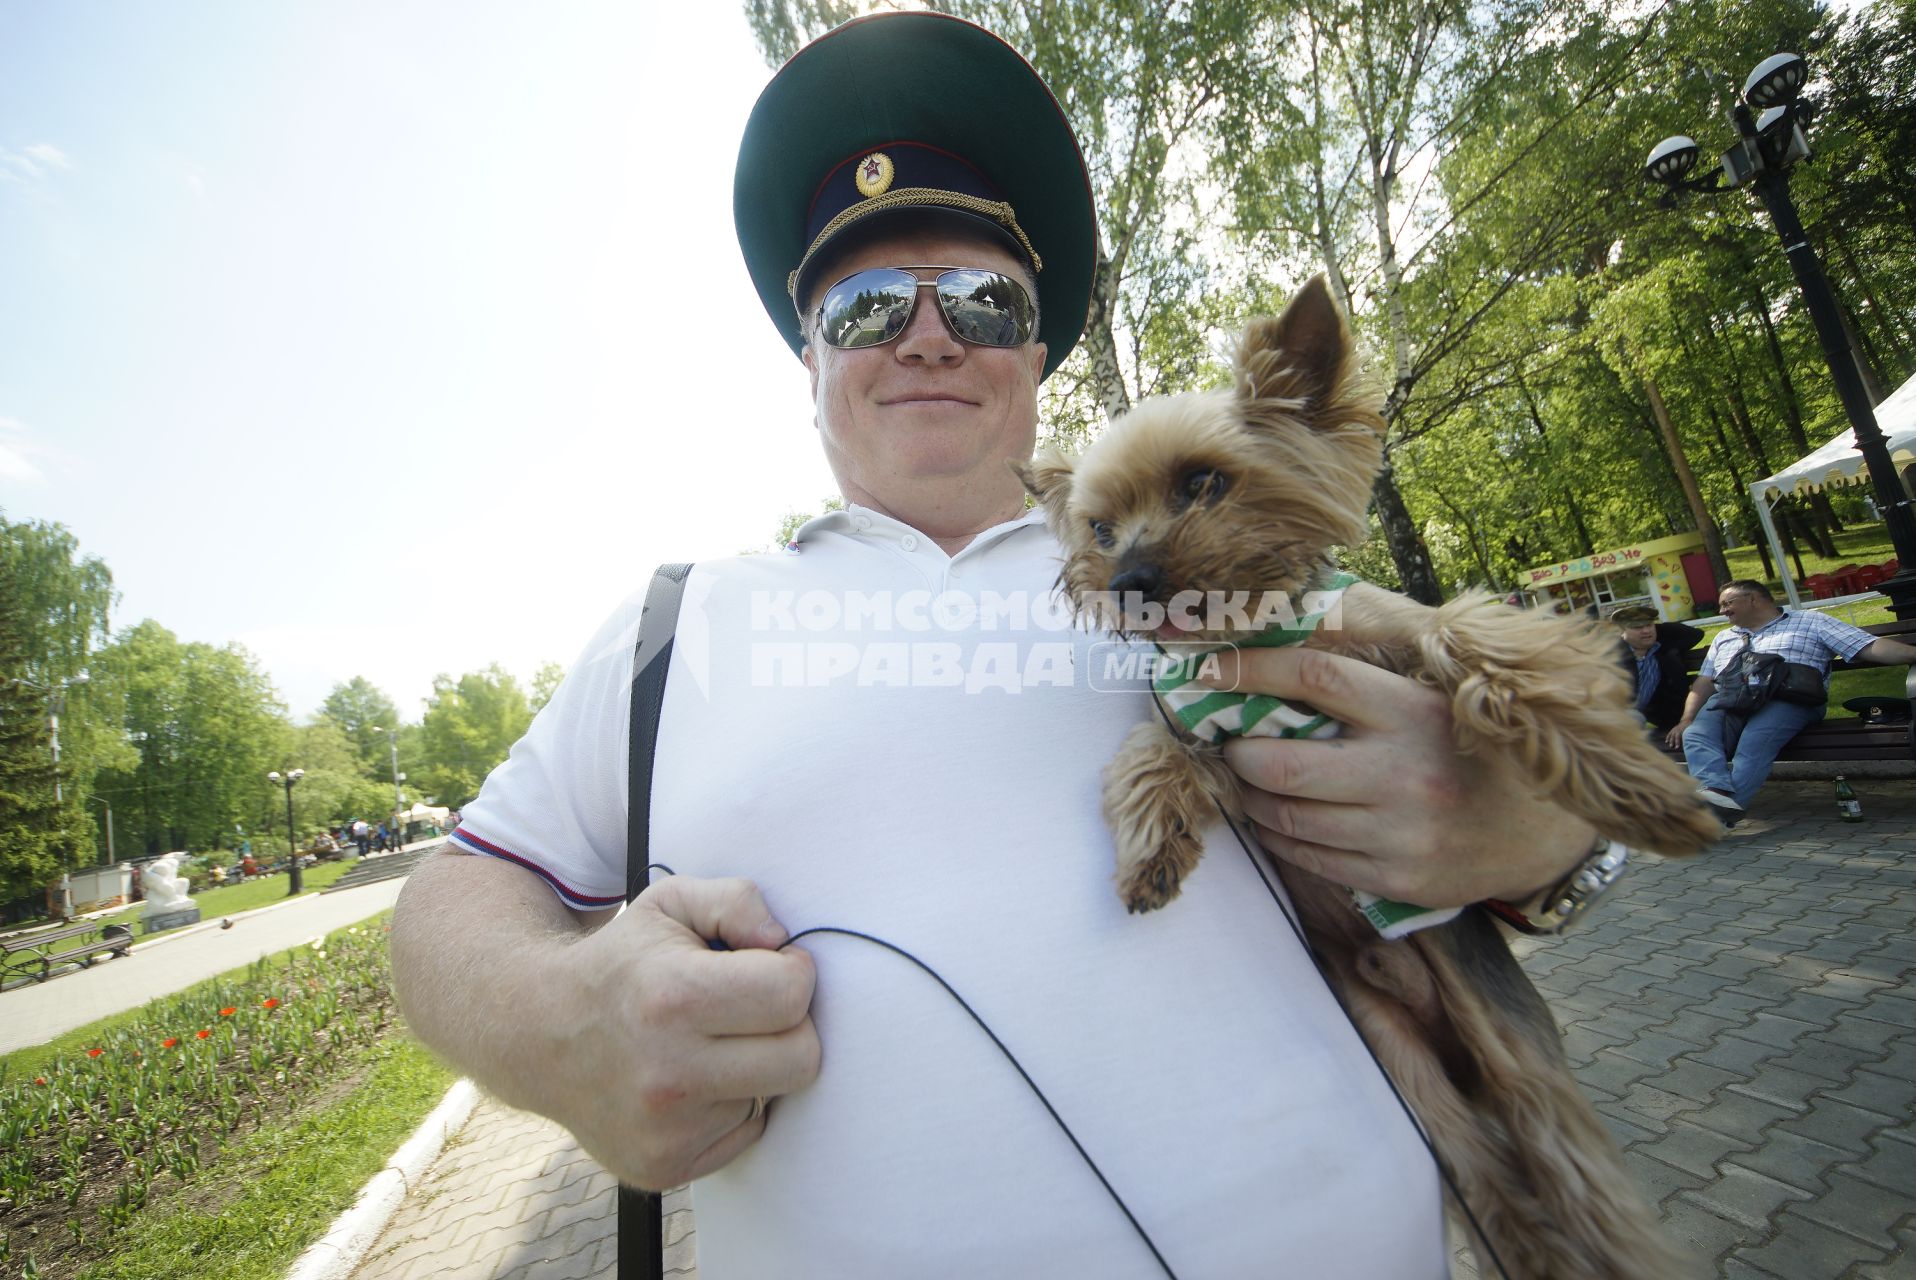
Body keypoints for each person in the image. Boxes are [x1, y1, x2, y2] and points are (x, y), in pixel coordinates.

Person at [390, 14, 1619, 1276]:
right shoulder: (672, 624)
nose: (929, 333)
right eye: (867, 306)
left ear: (1033, 354)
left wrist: (1548, 840)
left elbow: (1482, 751)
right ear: (807, 359)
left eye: (982, 299)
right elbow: (453, 897)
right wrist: (553, 1020)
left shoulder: (1202, 557)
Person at [1673, 579, 1916, 822]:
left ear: (1753, 599)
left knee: (1754, 743)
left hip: (1791, 699)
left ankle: (1712, 821)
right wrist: (1686, 719)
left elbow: (1866, 646)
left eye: (1727, 603)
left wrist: (1912, 654)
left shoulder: (1811, 621)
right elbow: (1705, 681)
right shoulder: (1724, 637)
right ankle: (1714, 793)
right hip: (1733, 700)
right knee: (1695, 734)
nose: (1722, 610)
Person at [1611, 604, 1704, 734]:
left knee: (1635, 718)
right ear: (1621, 632)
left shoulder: (1662, 651)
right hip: (1609, 714)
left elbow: (1696, 634)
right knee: (1633, 718)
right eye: (1637, 627)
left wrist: (1654, 629)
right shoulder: (1611, 655)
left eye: (1649, 625)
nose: (1645, 631)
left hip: (1654, 719)